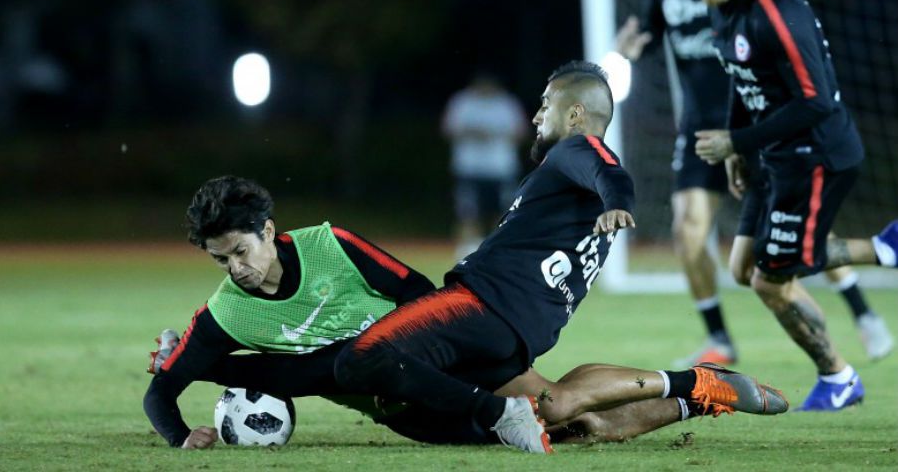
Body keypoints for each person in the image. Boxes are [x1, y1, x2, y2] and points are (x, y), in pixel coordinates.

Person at [333, 61, 787, 455]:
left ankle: (689, 383)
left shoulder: (575, 149)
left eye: (545, 104)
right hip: (521, 329)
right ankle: (697, 392)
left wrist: (616, 201)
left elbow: (607, 169)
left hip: (482, 305)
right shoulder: (570, 182)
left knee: (361, 357)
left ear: (574, 114)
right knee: (562, 413)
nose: (535, 116)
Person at [144, 175, 785, 450]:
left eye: (240, 251)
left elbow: (419, 289)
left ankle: (692, 382)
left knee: (556, 404)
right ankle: (697, 396)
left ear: (268, 230)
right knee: (573, 430)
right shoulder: (228, 313)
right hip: (406, 412)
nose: (236, 269)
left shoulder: (329, 246)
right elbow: (162, 393)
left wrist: (438, 352)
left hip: (444, 354)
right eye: (221, 260)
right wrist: (180, 431)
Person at [615, 0, 892, 366]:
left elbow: (784, 58)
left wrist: (741, 140)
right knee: (704, 236)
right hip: (712, 122)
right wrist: (633, 47)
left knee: (785, 251)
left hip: (771, 125)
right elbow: (652, 31)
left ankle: (855, 327)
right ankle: (724, 338)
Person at [686, 0, 898, 411]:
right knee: (743, 267)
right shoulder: (722, 7)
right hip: (772, 153)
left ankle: (840, 378)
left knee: (771, 278)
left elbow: (817, 101)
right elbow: (744, 79)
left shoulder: (774, 12)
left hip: (816, 155)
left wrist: (737, 138)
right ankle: (886, 249)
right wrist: (741, 148)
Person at [442, 72, 529, 259]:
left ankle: (499, 249)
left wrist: (496, 134)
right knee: (468, 212)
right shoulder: (463, 101)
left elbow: (522, 132)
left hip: (501, 168)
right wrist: (472, 132)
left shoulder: (506, 103)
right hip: (469, 168)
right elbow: (448, 129)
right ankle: (467, 251)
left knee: (504, 211)